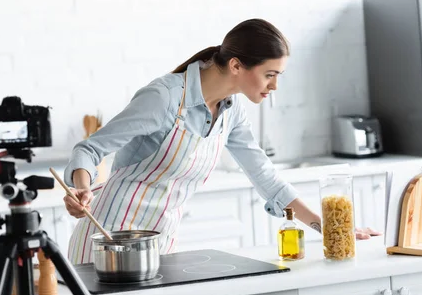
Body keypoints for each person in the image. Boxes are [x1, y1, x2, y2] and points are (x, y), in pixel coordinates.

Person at [63, 18, 380, 264]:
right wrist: (82, 188)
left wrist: (330, 230)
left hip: (160, 249)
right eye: (270, 74)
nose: (274, 86)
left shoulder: (232, 110)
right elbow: (89, 148)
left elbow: (266, 179)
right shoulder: (165, 98)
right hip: (104, 246)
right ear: (237, 65)